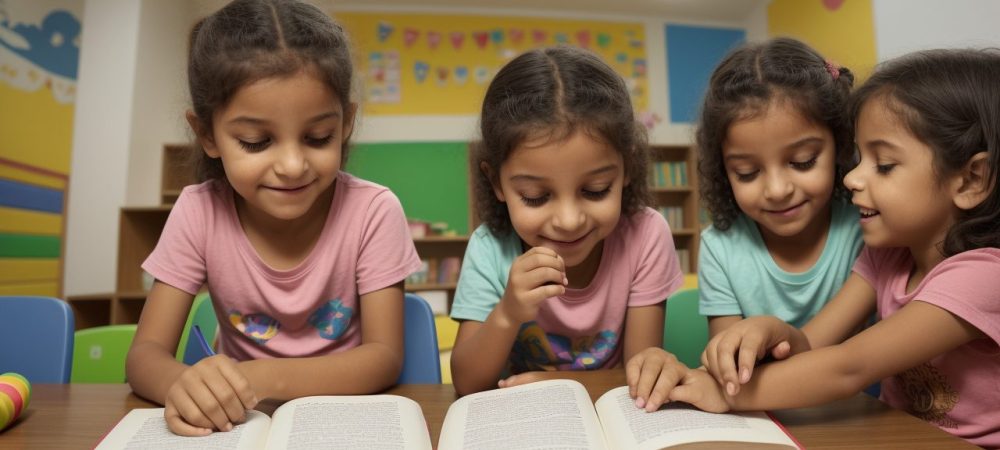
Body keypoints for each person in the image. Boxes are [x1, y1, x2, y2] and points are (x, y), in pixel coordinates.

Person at [636, 48, 1000, 448]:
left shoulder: (985, 276)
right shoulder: (887, 258)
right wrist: (773, 330)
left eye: (883, 165)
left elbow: (849, 367)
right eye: (860, 158)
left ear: (971, 180)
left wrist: (723, 392)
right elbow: (811, 344)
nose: (853, 178)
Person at [125, 0, 422, 436]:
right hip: (240, 425)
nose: (291, 165)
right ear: (207, 134)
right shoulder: (198, 211)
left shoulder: (373, 211)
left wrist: (264, 377)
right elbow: (144, 355)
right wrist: (182, 384)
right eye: (255, 141)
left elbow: (383, 357)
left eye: (317, 137)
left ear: (346, 125)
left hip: (345, 421)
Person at [627, 37, 863, 408]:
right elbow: (732, 373)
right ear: (724, 172)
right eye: (747, 172)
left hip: (861, 419)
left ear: (842, 144)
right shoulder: (721, 247)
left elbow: (833, 354)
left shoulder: (865, 228)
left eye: (802, 161)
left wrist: (773, 332)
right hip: (763, 417)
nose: (777, 189)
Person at [448, 46, 685, 396]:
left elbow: (640, 375)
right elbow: (467, 383)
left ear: (627, 170)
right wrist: (508, 312)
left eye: (596, 189)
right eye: (535, 196)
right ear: (497, 182)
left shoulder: (645, 235)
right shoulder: (490, 247)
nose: (569, 220)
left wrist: (559, 384)